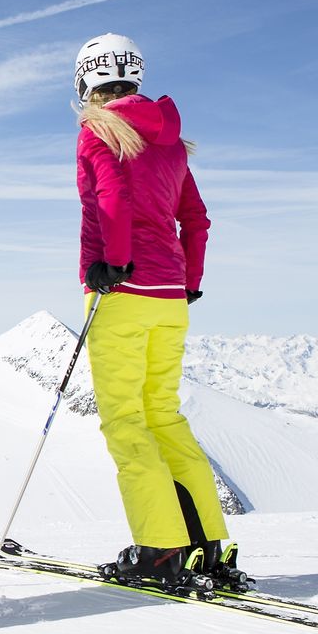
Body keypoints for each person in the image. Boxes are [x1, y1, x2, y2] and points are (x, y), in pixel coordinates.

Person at [72, 32, 249, 590]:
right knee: (164, 416)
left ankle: (159, 550)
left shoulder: (97, 131)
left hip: (121, 294)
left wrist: (113, 263)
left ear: (86, 82)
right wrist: (189, 279)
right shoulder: (172, 142)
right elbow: (196, 217)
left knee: (127, 422)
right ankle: (206, 547)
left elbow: (112, 201)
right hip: (171, 295)